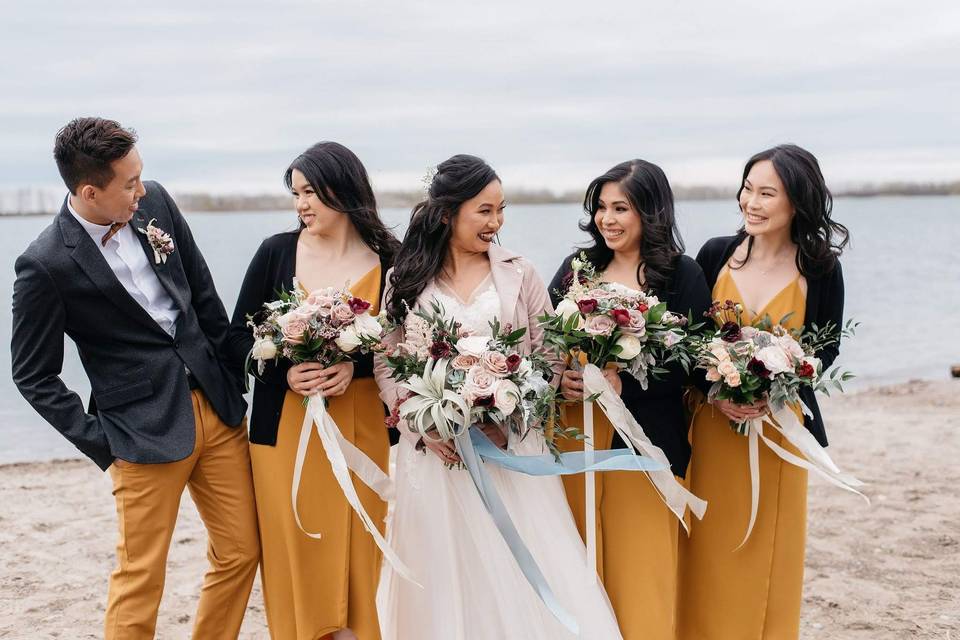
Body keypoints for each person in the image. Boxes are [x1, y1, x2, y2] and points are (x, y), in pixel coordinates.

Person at [10, 117, 259, 639]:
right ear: (88, 191)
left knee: (242, 551)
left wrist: (233, 380)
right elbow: (33, 374)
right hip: (140, 436)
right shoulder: (45, 263)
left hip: (216, 409)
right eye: (129, 183)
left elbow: (205, 300)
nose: (140, 190)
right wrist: (103, 443)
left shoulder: (157, 203)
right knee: (141, 575)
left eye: (141, 176)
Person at [373, 154, 623, 639]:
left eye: (501, 210)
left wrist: (509, 413)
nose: (496, 222)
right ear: (448, 213)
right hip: (433, 454)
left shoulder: (521, 273)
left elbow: (548, 352)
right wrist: (420, 423)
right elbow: (387, 360)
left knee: (523, 560)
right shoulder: (402, 279)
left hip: (510, 447)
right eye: (484, 211)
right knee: (442, 568)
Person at [225, 142, 399, 640]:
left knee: (361, 542)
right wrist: (284, 374)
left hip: (361, 424)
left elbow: (401, 345)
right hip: (285, 428)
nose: (301, 204)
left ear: (342, 191)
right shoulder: (276, 252)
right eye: (295, 193)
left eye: (310, 192)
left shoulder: (390, 258)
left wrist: (356, 369)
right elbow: (235, 336)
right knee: (295, 545)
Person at [676, 144, 849, 639]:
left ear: (797, 201)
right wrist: (714, 390)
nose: (750, 201)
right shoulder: (712, 256)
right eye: (747, 188)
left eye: (766, 192)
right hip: (710, 429)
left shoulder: (821, 269)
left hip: (779, 431)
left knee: (768, 551)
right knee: (707, 547)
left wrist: (779, 381)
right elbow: (686, 342)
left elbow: (826, 351)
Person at [548, 159, 711, 639]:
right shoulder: (579, 268)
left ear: (650, 212)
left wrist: (628, 385)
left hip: (645, 444)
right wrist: (563, 382)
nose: (607, 219)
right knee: (580, 563)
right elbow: (546, 344)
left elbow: (694, 363)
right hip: (575, 436)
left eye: (621, 207)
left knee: (642, 570)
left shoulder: (683, 274)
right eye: (601, 207)